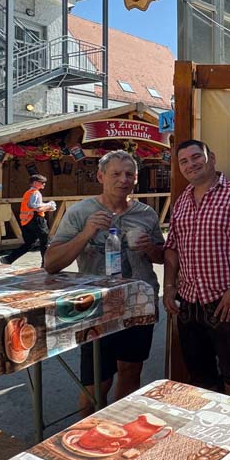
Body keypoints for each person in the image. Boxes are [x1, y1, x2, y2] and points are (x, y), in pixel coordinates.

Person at [45, 151, 165, 415]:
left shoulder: (146, 214)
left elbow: (162, 257)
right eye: (116, 174)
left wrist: (151, 249)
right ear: (101, 176)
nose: (123, 179)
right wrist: (87, 233)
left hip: (139, 303)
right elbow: (51, 263)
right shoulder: (80, 212)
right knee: (96, 382)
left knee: (131, 371)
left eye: (129, 174)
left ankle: (121, 428)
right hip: (96, 307)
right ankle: (86, 439)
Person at [163, 140, 230, 393]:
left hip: (226, 303)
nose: (190, 164)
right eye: (183, 161)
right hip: (189, 303)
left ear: (212, 158)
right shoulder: (182, 200)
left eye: (196, 157)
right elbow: (172, 247)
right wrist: (169, 286)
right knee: (199, 378)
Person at [2, 175, 56, 266]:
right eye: (42, 182)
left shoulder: (28, 193)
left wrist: (47, 205)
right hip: (36, 219)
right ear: (35, 183)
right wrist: (49, 206)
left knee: (29, 243)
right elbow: (36, 207)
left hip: (26, 221)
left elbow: (34, 205)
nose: (44, 184)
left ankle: (8, 259)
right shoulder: (35, 193)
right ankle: (46, 263)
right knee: (45, 241)